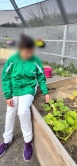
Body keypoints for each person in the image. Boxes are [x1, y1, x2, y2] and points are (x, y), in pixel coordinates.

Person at [0, 34, 51, 162]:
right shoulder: (12, 60)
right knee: (10, 112)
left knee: (23, 111)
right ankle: (6, 140)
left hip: (28, 89)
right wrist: (8, 95)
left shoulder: (35, 60)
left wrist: (45, 92)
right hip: (14, 89)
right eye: (25, 51)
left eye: (30, 51)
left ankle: (28, 142)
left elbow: (41, 77)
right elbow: (5, 77)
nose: (28, 54)